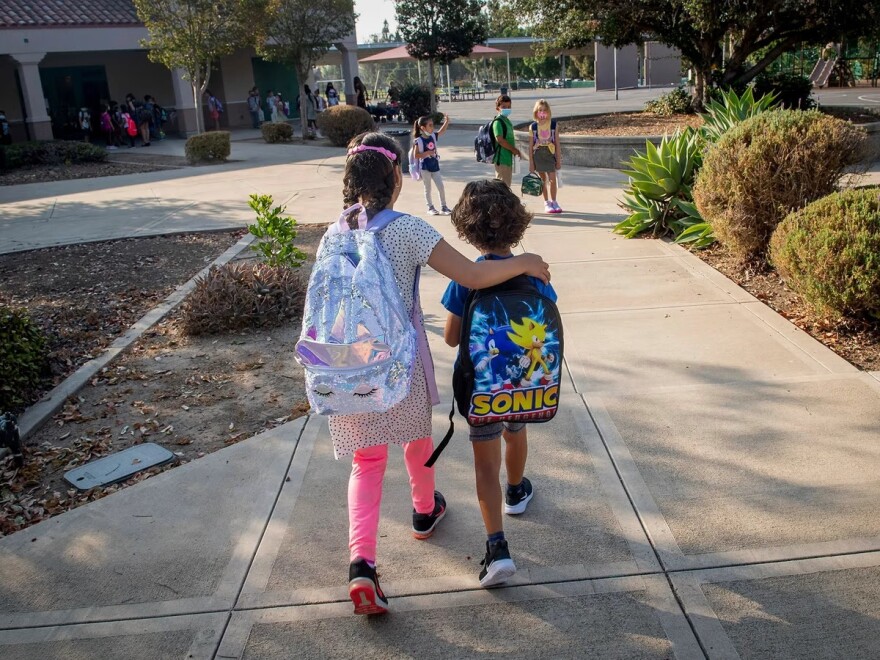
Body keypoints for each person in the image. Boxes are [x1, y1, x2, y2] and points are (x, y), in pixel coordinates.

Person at [332, 132, 551, 615]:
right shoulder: (407, 229)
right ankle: (424, 510)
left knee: (366, 464)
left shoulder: (336, 231)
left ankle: (361, 567)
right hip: (399, 363)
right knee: (415, 438)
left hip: (348, 364)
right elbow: (472, 276)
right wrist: (527, 262)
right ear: (395, 177)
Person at [440, 179, 557, 587]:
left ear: (467, 229)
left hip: (481, 388)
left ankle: (497, 548)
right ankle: (516, 492)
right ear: (517, 224)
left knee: (483, 461)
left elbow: (453, 337)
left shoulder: (465, 279)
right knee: (516, 431)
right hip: (524, 383)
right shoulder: (536, 274)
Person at [412, 114, 452, 215]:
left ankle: (444, 207)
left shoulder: (433, 136)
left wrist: (446, 121)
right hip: (425, 168)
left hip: (435, 166)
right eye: (430, 125)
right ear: (423, 127)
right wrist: (427, 153)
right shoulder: (419, 141)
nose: (432, 127)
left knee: (441, 187)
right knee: (428, 188)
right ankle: (430, 207)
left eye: (432, 125)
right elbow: (415, 155)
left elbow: (441, 131)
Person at [528, 99, 563, 214]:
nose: (542, 113)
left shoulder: (553, 125)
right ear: (536, 112)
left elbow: (557, 143)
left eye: (544, 110)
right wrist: (531, 163)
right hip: (538, 155)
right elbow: (530, 146)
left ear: (548, 112)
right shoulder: (533, 127)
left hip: (550, 154)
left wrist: (558, 160)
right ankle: (546, 202)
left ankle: (554, 201)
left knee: (552, 179)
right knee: (543, 180)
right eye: (540, 110)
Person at [491, 94, 523, 187]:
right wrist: (514, 150)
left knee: (506, 186)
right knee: (502, 188)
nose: (507, 109)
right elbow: (500, 140)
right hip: (501, 159)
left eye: (509, 107)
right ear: (498, 108)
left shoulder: (506, 121)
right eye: (504, 107)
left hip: (507, 159)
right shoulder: (498, 122)